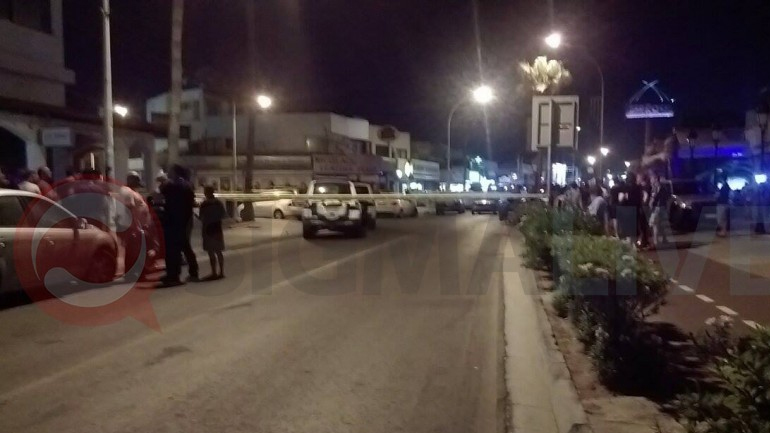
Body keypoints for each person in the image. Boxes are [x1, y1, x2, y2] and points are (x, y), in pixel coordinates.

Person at [159, 165, 199, 287]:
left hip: (175, 220)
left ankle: (173, 275)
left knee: (173, 249)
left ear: (175, 172)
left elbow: (164, 190)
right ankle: (192, 271)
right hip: (184, 220)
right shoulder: (187, 185)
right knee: (184, 246)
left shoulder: (175, 185)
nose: (168, 173)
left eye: (170, 171)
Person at [198, 186, 226, 280]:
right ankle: (221, 272)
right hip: (217, 229)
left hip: (208, 229)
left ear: (206, 193)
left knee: (211, 252)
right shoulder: (218, 203)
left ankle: (214, 272)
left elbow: (201, 217)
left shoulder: (204, 204)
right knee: (218, 251)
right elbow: (223, 215)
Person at [649, 173, 671, 248]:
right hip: (663, 207)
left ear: (655, 179)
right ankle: (664, 239)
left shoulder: (655, 187)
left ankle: (656, 241)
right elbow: (668, 197)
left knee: (655, 225)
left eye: (651, 179)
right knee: (662, 224)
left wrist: (650, 205)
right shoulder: (663, 187)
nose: (650, 180)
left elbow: (653, 197)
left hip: (657, 208)